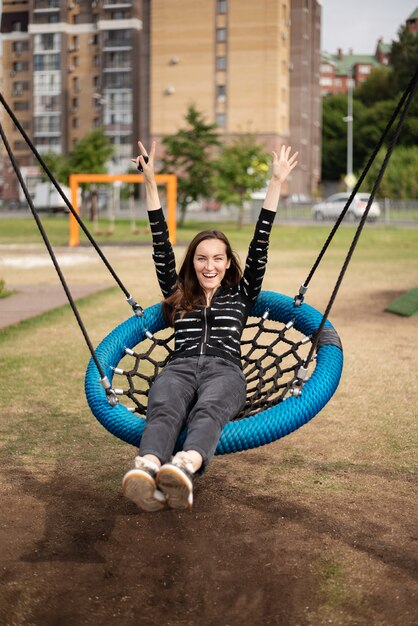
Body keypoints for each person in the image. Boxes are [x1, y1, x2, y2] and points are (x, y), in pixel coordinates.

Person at [122, 140, 298, 512]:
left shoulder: (242, 293)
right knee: (165, 404)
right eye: (201, 258)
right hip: (180, 366)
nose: (209, 266)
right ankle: (148, 466)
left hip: (225, 371)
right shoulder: (177, 292)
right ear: (193, 262)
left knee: (210, 410)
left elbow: (260, 242)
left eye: (218, 258)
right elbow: (159, 242)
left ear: (227, 262)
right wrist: (150, 182)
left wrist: (276, 183)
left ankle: (185, 466)